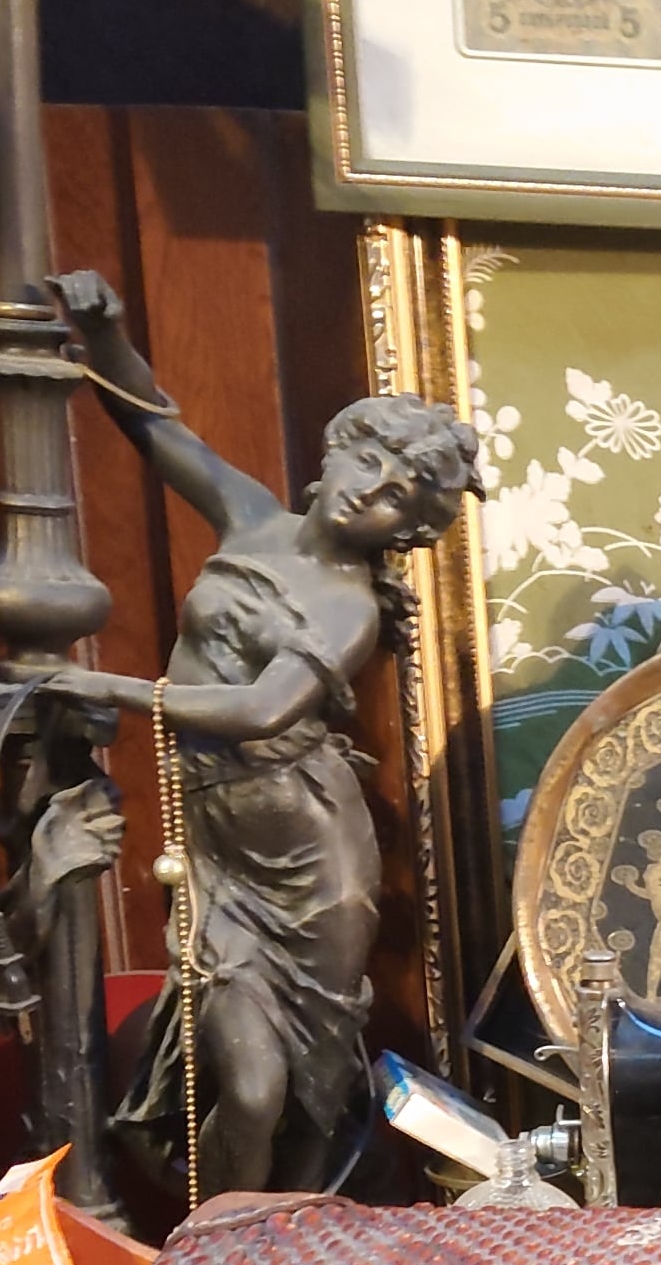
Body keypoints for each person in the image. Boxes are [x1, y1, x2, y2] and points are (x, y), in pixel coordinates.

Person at [31, 270, 488, 1203]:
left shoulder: (351, 606)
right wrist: (105, 336)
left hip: (315, 863)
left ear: (409, 528)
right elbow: (157, 428)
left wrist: (105, 686)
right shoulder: (250, 519)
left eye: (401, 496)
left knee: (290, 1088)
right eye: (372, 463)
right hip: (225, 845)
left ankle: (262, 1240)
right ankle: (225, 1243)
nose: (373, 493)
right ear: (339, 452)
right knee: (247, 1085)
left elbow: (260, 709)